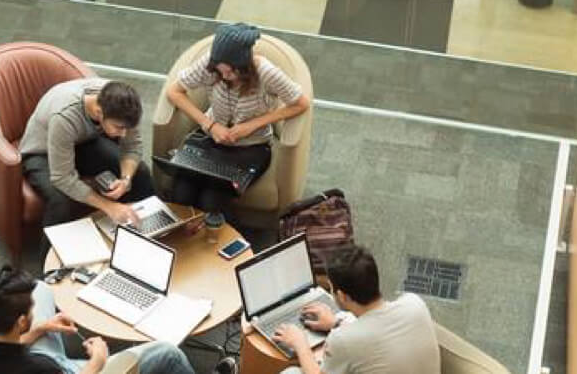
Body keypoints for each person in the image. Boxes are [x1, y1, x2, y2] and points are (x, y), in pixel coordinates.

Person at [163, 22, 311, 216]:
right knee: (180, 193)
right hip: (210, 139)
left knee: (211, 201)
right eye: (220, 71)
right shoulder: (211, 65)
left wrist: (252, 125)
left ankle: (211, 241)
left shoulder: (266, 72)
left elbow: (301, 103)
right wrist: (210, 124)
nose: (224, 76)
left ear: (245, 66)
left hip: (251, 147)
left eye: (230, 72)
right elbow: (174, 92)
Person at [0, 267, 201, 374]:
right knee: (168, 352)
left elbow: (6, 349)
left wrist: (40, 328)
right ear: (19, 322)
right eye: (31, 310)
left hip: (19, 354)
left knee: (39, 286)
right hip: (67, 370)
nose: (33, 310)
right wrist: (98, 360)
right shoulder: (41, 368)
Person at [271, 246, 439, 374]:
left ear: (342, 296)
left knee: (292, 372)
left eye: (330, 288)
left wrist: (300, 344)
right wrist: (336, 322)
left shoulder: (343, 341)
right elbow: (379, 328)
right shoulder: (414, 302)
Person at [21, 79, 156, 227]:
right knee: (61, 202)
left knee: (140, 172)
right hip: (41, 151)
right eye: (119, 128)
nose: (123, 134)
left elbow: (132, 146)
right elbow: (62, 178)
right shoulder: (65, 117)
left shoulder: (123, 105)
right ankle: (49, 250)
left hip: (83, 142)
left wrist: (126, 179)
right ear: (99, 113)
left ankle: (147, 229)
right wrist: (109, 207)